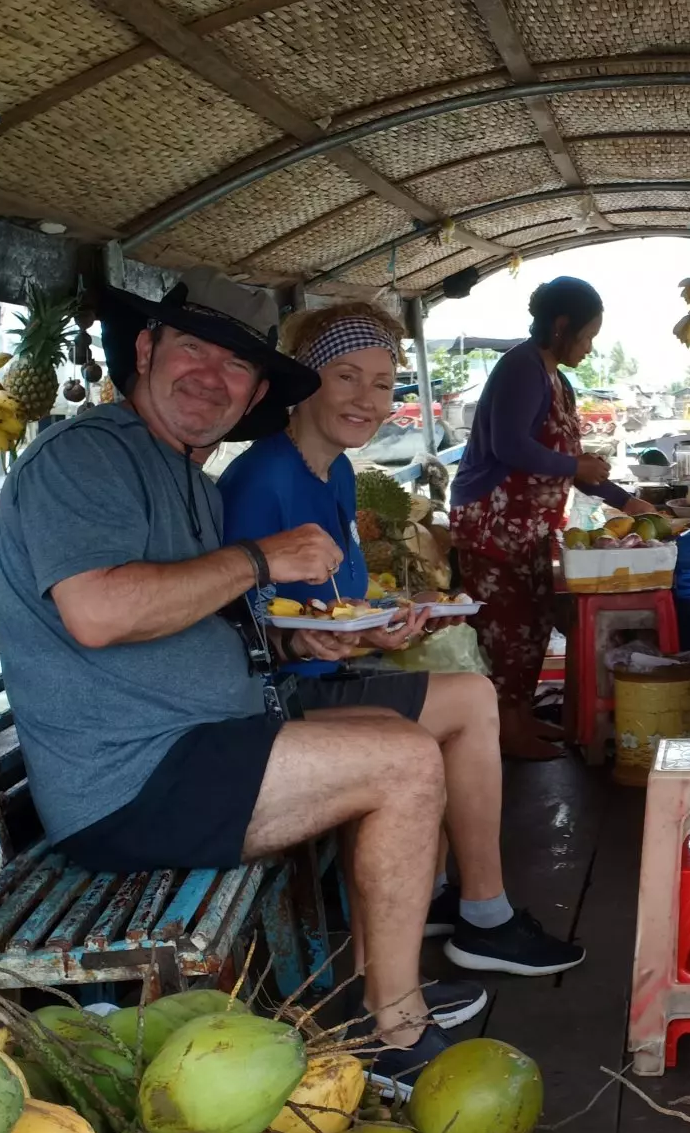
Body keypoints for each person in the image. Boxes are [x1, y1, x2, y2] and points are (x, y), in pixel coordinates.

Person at [0, 280, 453, 1090]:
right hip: (128, 782)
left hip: (198, 745)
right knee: (405, 764)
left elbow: (188, 615)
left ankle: (370, 990)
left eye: (237, 364)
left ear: (257, 391)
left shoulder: (186, 477)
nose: (212, 376)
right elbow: (99, 612)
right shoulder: (88, 456)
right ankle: (394, 1033)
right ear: (145, 351)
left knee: (404, 736)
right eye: (192, 350)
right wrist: (258, 558)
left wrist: (290, 638)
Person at [219, 300, 584, 978]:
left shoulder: (335, 472)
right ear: (305, 381)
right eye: (346, 377)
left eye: (383, 384)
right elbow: (242, 619)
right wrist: (332, 635)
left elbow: (332, 602)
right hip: (274, 702)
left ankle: (454, 898)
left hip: (326, 677)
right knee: (469, 703)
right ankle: (482, 916)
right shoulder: (263, 478)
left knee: (470, 696)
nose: (368, 399)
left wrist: (393, 616)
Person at [449, 276, 655, 759]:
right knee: (504, 630)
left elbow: (573, 463)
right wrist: (574, 467)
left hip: (530, 530)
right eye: (586, 337)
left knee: (533, 625)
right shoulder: (521, 368)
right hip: (492, 523)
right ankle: (503, 731)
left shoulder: (558, 381)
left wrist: (626, 502)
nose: (588, 348)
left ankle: (519, 718)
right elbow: (510, 445)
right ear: (561, 326)